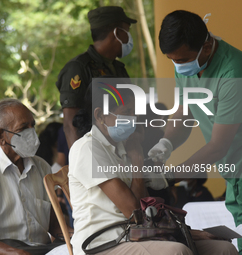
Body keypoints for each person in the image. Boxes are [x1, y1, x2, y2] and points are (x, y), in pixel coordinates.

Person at [69, 83, 238, 255]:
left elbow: (145, 210)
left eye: (135, 112)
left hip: (140, 235)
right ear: (99, 115)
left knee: (224, 249)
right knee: (176, 252)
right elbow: (132, 210)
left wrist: (192, 233)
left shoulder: (124, 148)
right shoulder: (88, 148)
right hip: (104, 243)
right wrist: (137, 161)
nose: (133, 118)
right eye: (127, 112)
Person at [148, 10, 242, 254]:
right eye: (172, 60)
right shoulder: (186, 64)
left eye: (181, 60)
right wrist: (165, 143)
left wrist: (169, 177)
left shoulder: (233, 71)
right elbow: (183, 115)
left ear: (207, 46)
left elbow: (218, 145)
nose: (178, 66)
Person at [0, 99, 66, 255]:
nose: (31, 132)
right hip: (1, 252)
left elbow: (54, 224)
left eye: (32, 125)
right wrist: (15, 253)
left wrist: (73, 236)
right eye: (23, 128)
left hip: (40, 249)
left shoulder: (42, 167)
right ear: (1, 136)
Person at [56, 6, 136, 149]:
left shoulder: (119, 69)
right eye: (127, 32)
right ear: (116, 32)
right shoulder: (79, 68)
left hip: (119, 152)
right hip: (94, 151)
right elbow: (70, 124)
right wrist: (82, 160)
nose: (129, 38)